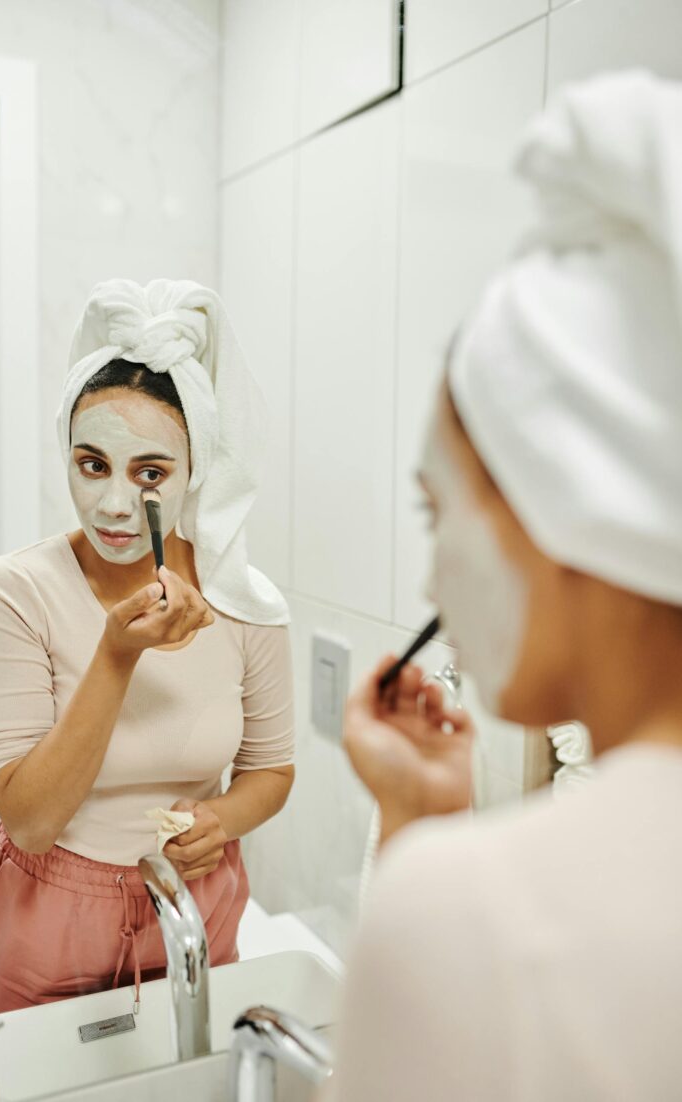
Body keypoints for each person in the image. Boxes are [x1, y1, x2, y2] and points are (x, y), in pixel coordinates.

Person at [331, 71, 682, 1100]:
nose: (433, 573)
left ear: (568, 504)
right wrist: (421, 815)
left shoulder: (473, 918)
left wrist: (420, 868)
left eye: (440, 512)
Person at [0, 279, 295, 1018]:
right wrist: (115, 657)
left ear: (195, 470)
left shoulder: (245, 603)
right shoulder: (13, 592)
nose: (115, 504)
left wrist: (223, 821)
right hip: (47, 920)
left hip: (195, 910)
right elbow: (31, 820)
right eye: (92, 465)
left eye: (150, 472)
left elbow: (271, 769)